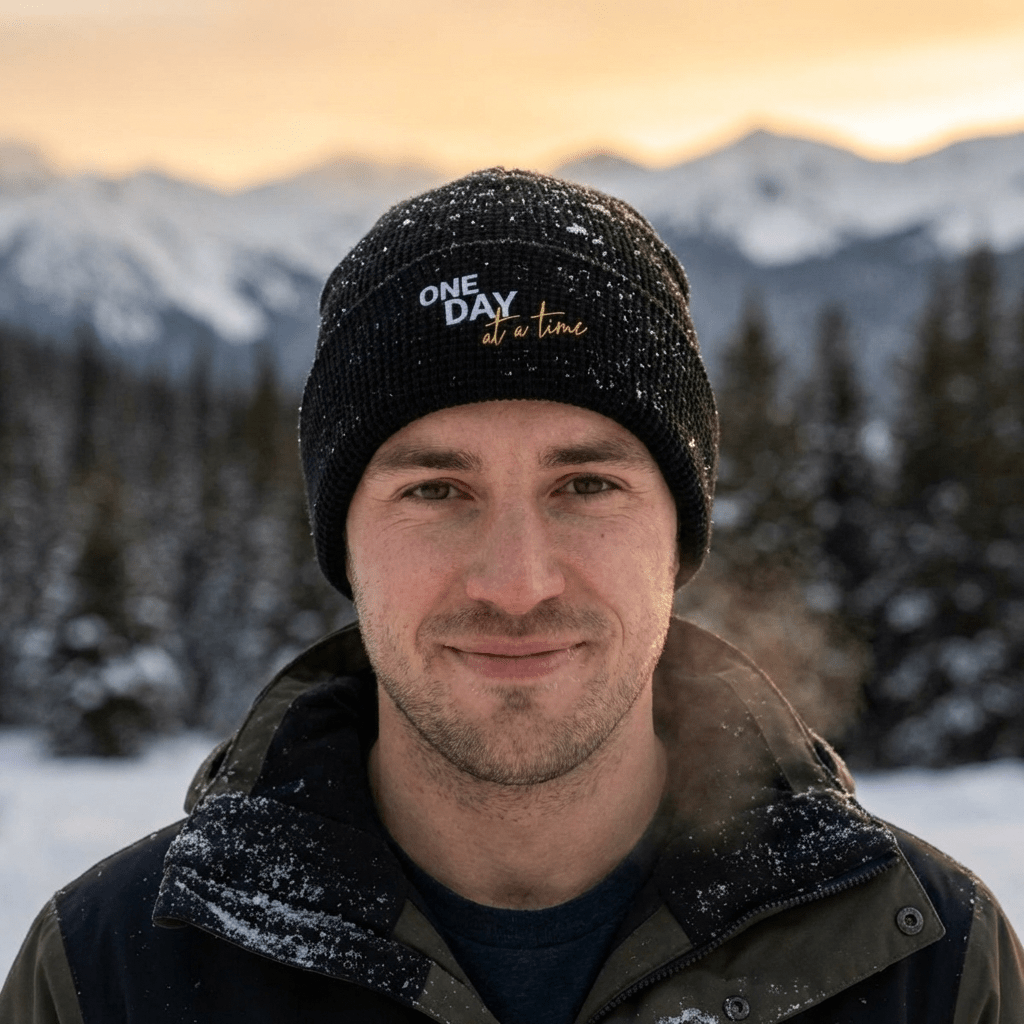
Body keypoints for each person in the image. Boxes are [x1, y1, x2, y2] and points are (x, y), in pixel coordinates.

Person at [3, 168, 1022, 1024]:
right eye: (435, 491)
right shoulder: (106, 977)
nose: (517, 583)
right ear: (343, 541)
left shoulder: (925, 967)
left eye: (587, 486)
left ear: (677, 536)